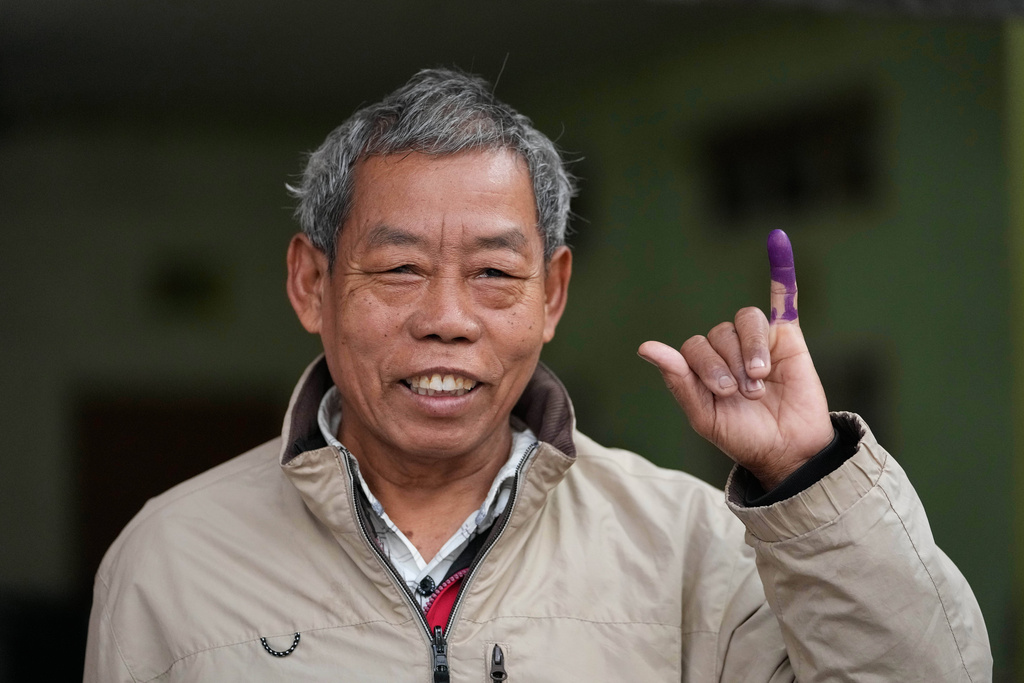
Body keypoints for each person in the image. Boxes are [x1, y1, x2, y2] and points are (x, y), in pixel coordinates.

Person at [83, 68, 991, 682]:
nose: (446, 317)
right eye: (398, 269)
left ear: (552, 292)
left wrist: (806, 476)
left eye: (493, 272)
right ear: (311, 283)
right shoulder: (169, 560)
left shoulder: (688, 548)